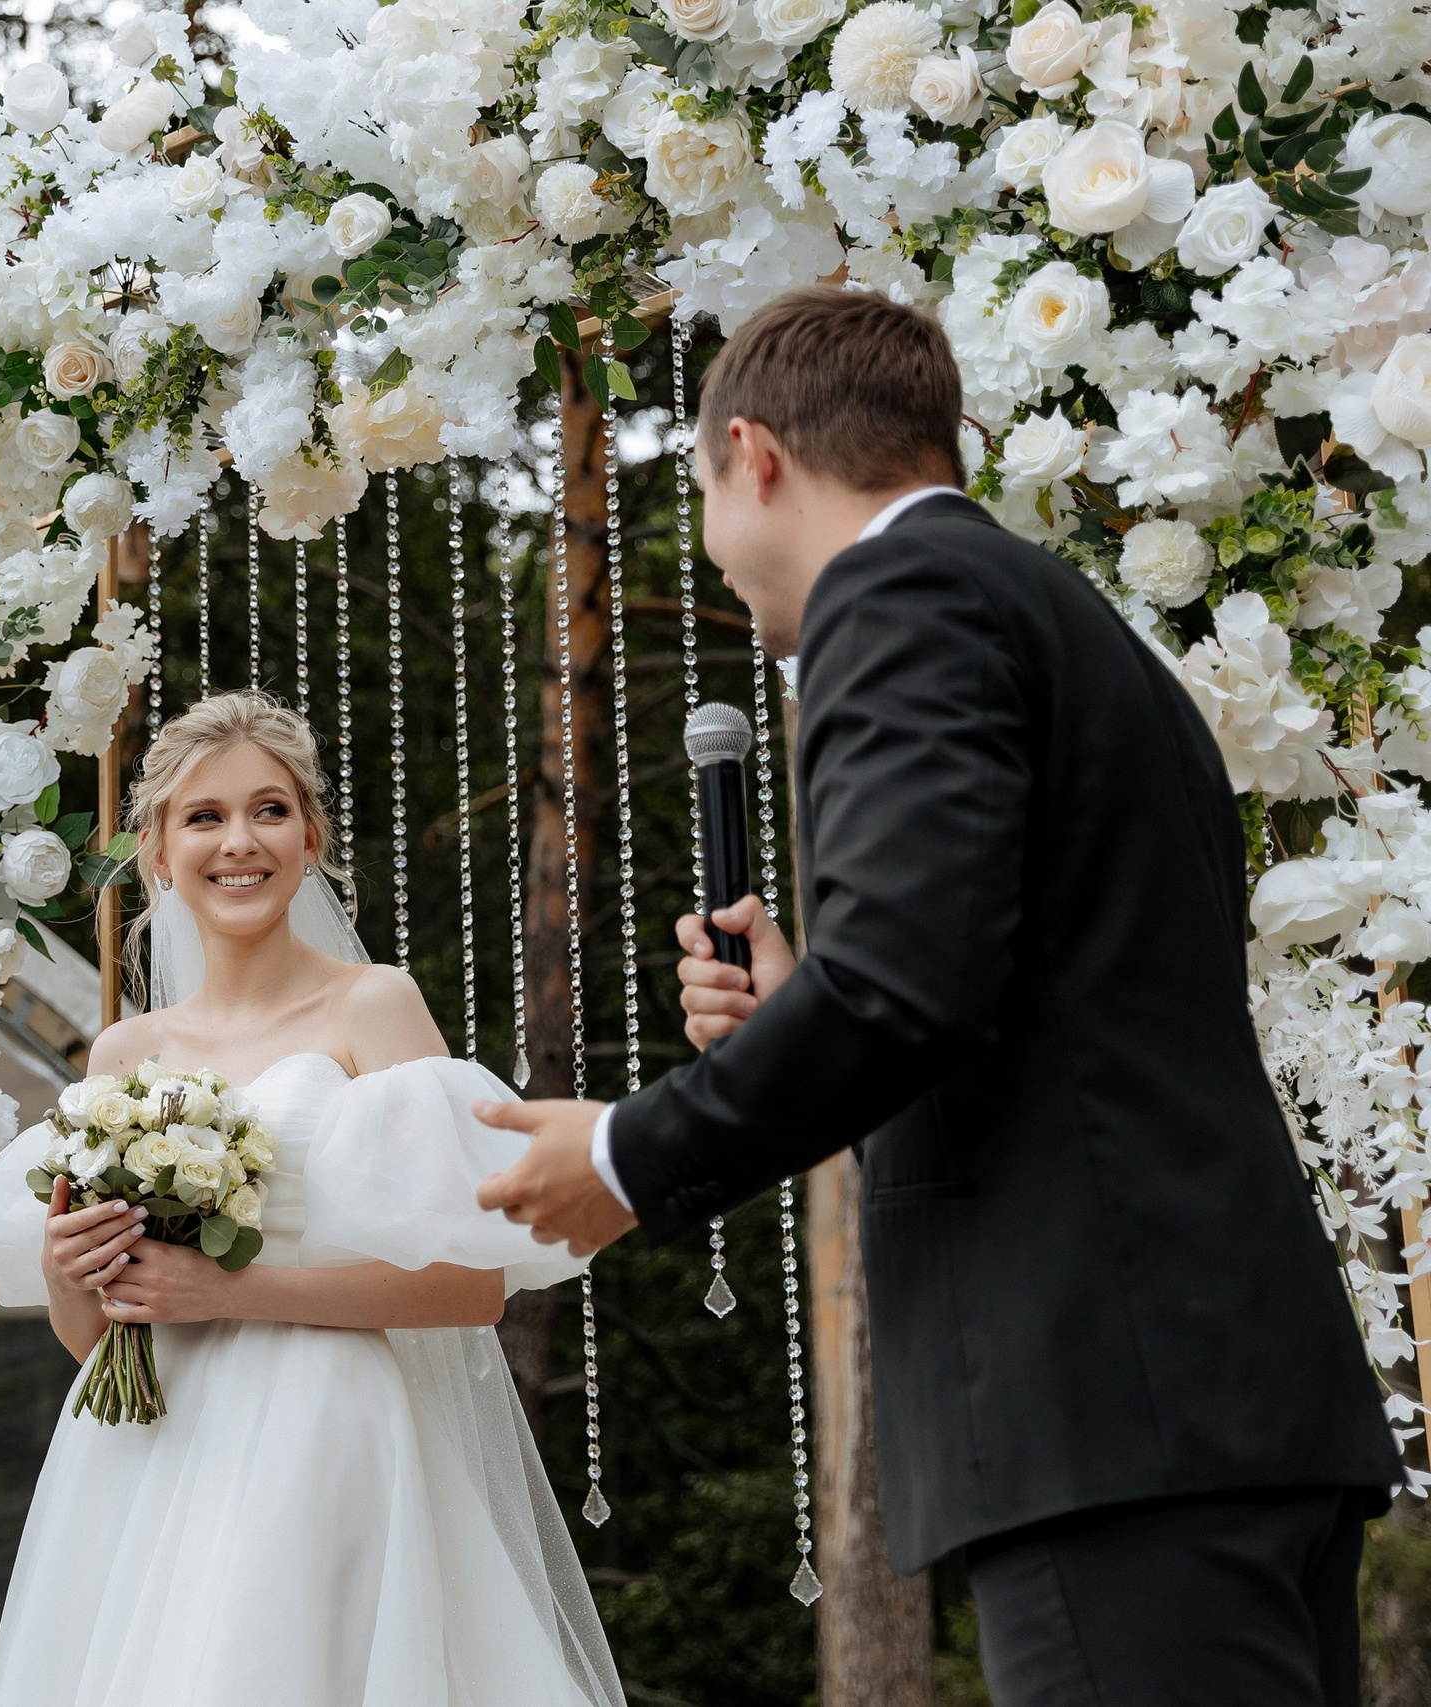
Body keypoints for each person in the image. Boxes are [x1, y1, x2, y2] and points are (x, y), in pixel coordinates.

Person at [473, 287, 1401, 1705]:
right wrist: (810, 1000)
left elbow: (912, 979)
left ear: (755, 453)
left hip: (1108, 1402)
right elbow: (1007, 978)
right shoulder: (1065, 615)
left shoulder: (895, 594)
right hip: (1220, 1384)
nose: (723, 564)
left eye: (712, 504)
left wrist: (624, 1155)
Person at [0, 691, 622, 1707]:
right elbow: (96, 1341)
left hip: (330, 1442)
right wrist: (74, 1269)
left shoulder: (373, 1007)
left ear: (311, 835)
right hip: (150, 1459)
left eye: (268, 811)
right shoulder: (124, 1052)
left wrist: (230, 1291)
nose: (240, 842)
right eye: (204, 817)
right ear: (155, 850)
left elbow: (469, 1287)